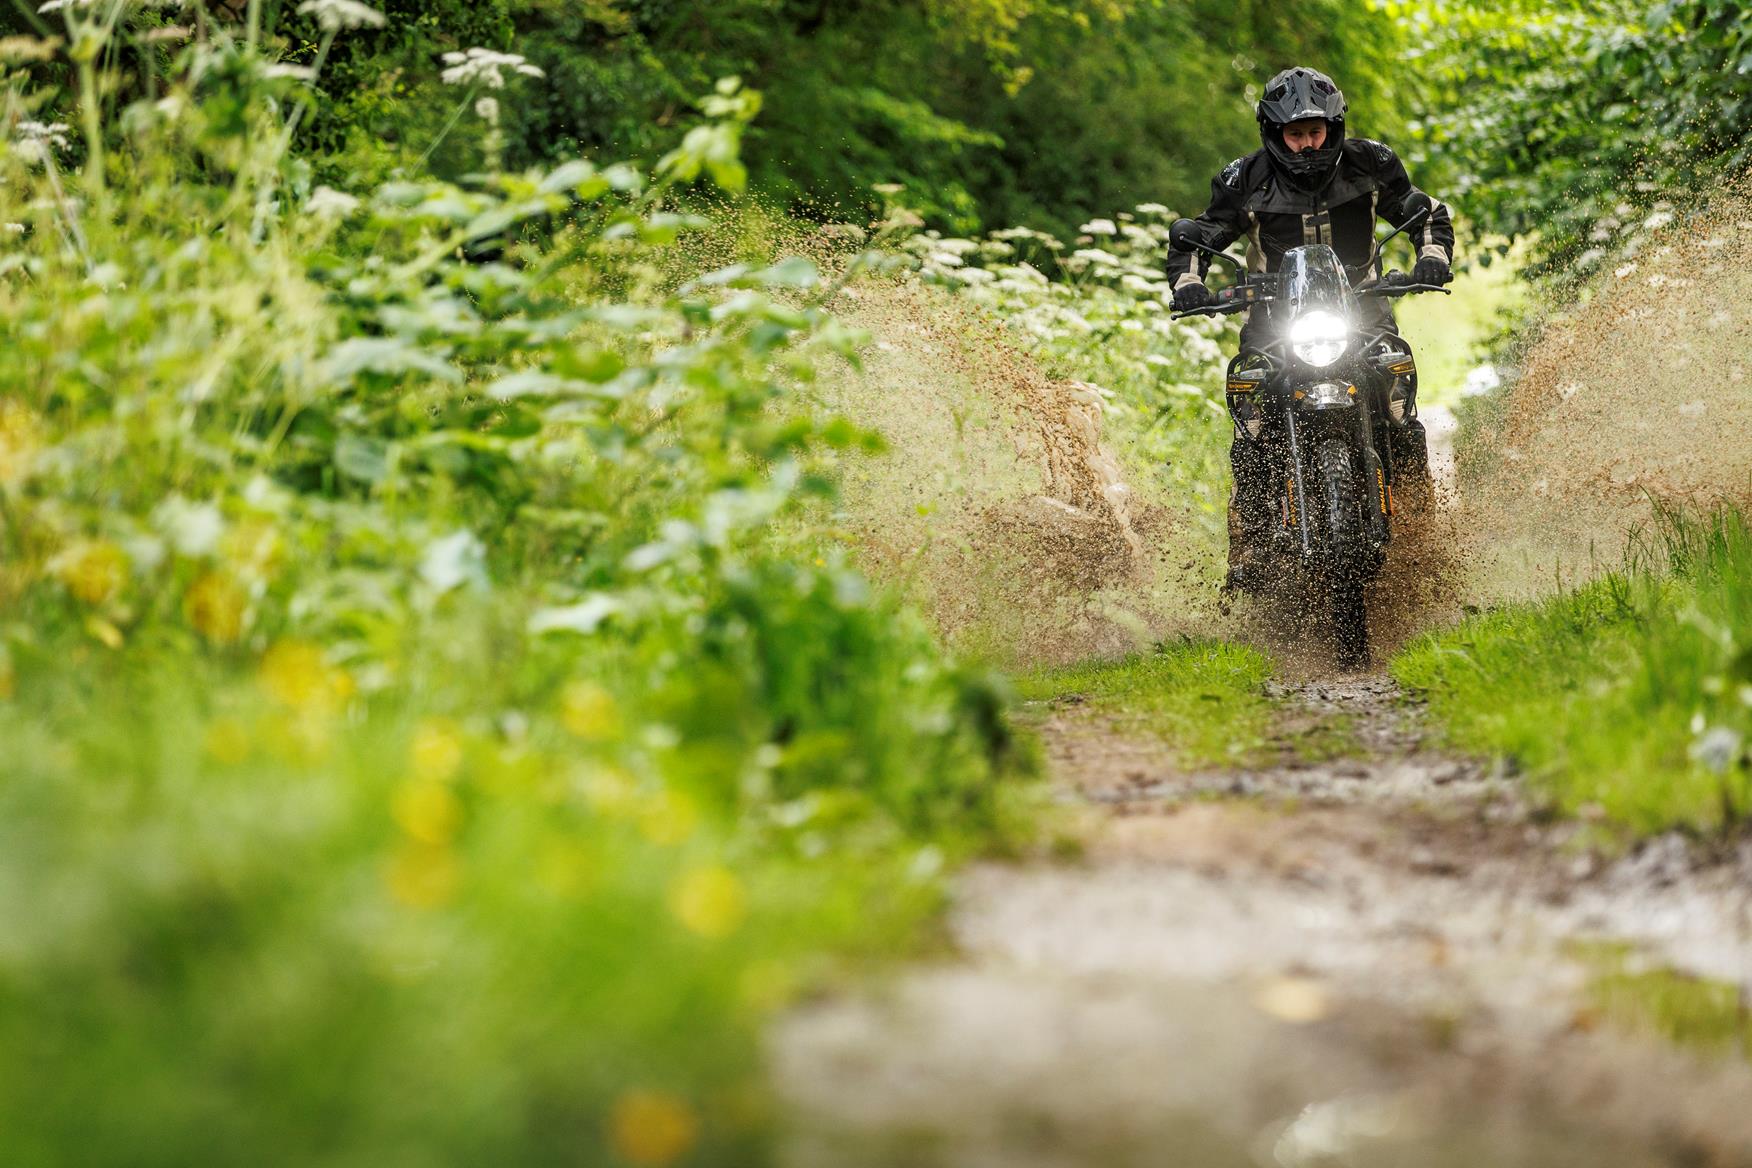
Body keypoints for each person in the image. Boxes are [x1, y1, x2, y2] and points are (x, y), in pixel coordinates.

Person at [1166, 66, 1455, 591]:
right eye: (1294, 135)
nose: (1306, 146)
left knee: (1398, 397)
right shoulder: (1243, 179)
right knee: (1251, 417)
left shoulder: (1373, 163)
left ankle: (1418, 526)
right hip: (1273, 318)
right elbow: (1200, 234)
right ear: (1274, 135)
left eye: (1315, 133)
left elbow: (1425, 213)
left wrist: (1431, 257)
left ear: (1334, 127)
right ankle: (1250, 542)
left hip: (1361, 308)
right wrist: (1189, 284)